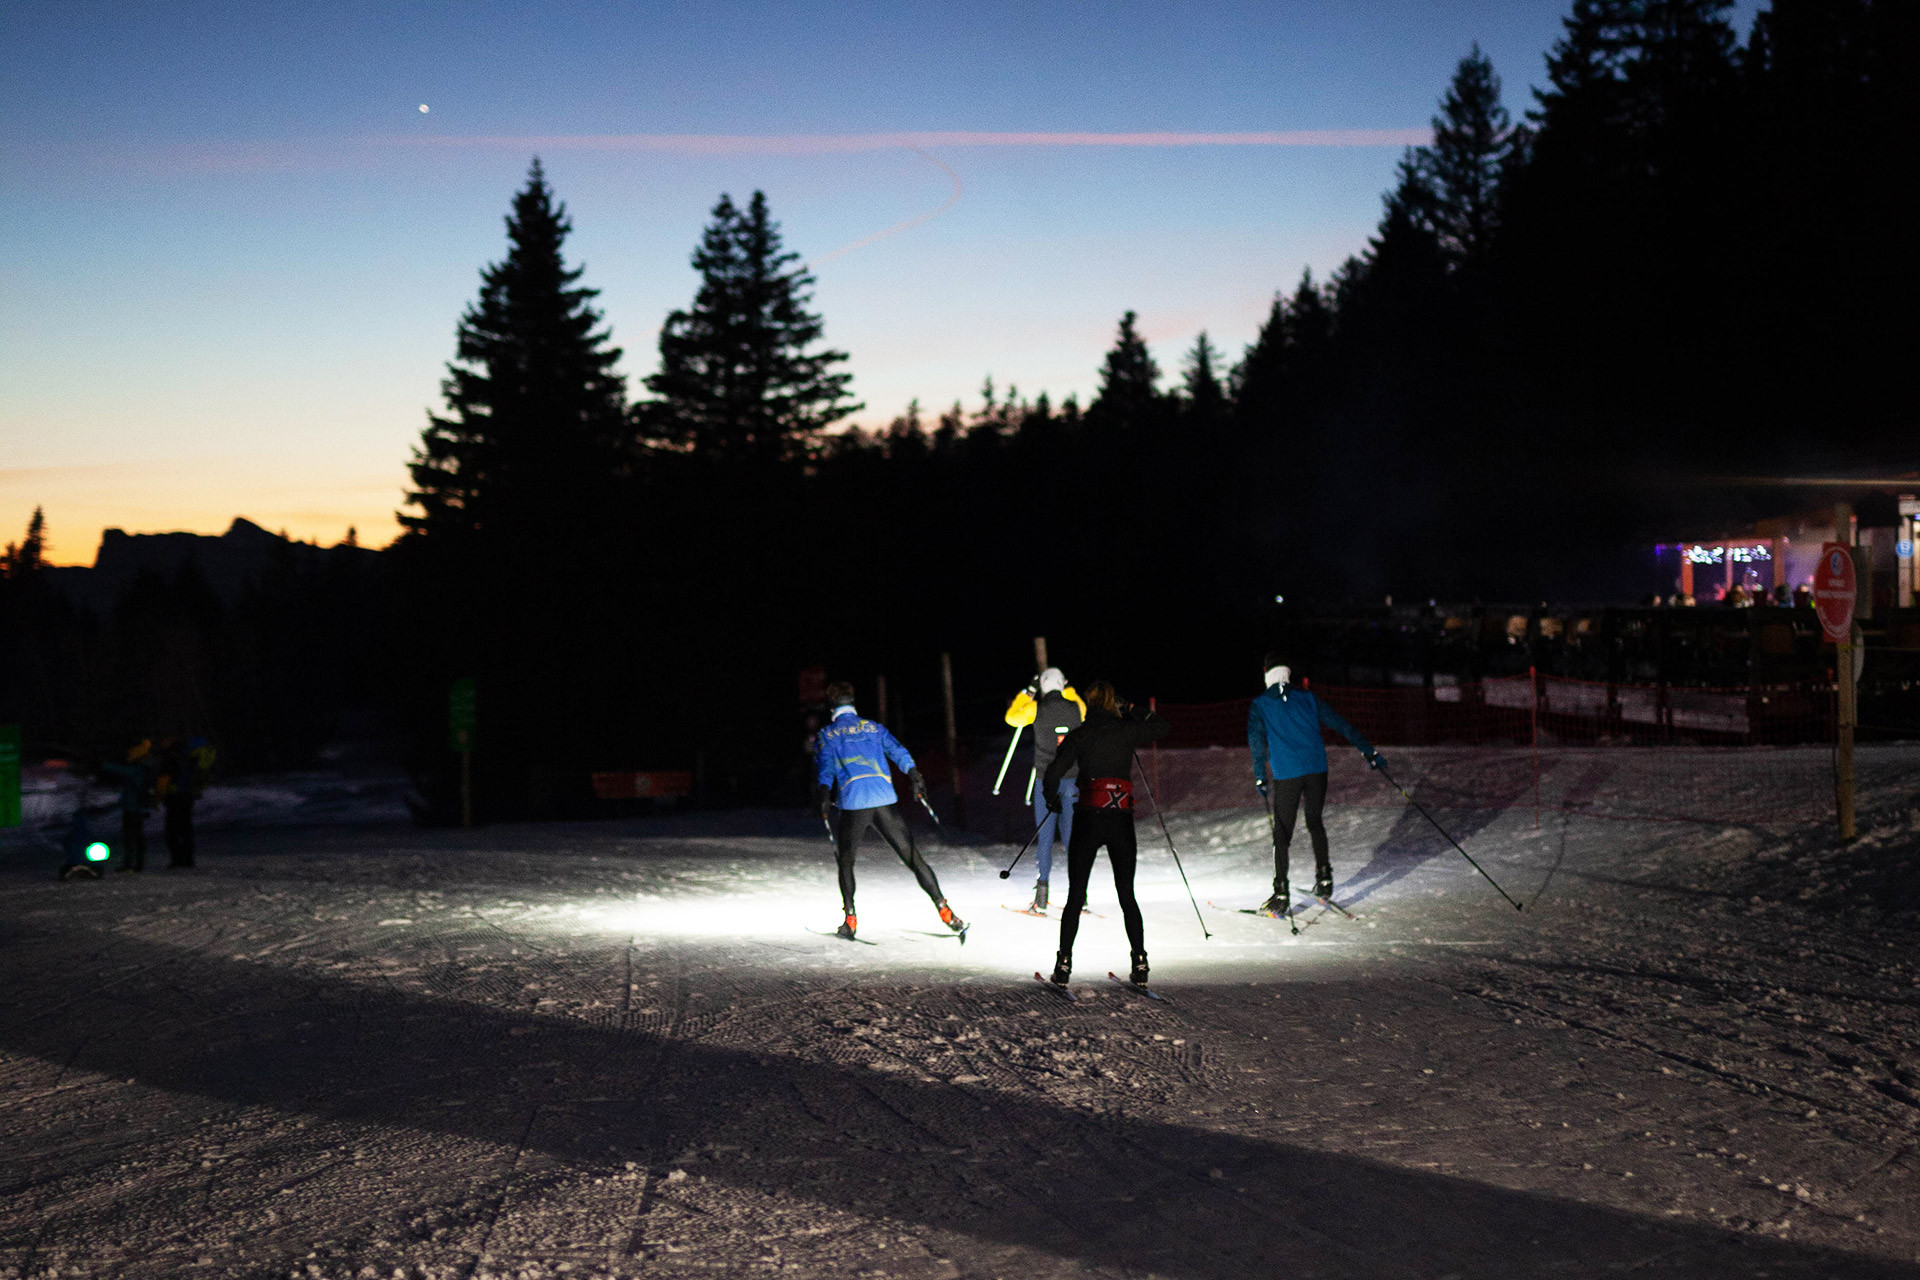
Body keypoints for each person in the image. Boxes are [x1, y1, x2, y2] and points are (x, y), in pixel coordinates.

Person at [814, 681, 967, 942]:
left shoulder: (827, 734)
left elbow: (826, 768)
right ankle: (945, 910)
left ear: (831, 706)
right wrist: (914, 774)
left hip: (854, 803)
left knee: (846, 861)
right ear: (853, 702)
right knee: (914, 859)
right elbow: (898, 751)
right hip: (884, 799)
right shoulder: (873, 727)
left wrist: (824, 792)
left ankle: (850, 920)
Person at [1041, 681, 1169, 987]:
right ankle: (1140, 961)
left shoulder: (1080, 734)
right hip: (1120, 820)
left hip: (1088, 818)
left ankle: (1063, 964)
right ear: (1114, 702)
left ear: (1089, 703)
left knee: (1076, 894)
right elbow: (1162, 727)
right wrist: (1132, 709)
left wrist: (1051, 799)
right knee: (1126, 893)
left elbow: (1053, 772)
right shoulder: (1126, 730)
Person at [1248, 657, 1380, 913]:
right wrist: (1368, 750)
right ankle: (1325, 879)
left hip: (1288, 773)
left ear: (1266, 673)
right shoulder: (1307, 697)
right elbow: (1339, 722)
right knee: (1315, 822)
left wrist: (1260, 775)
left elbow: (1256, 742)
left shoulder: (1260, 704)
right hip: (1317, 770)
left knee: (1282, 833)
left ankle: (1281, 893)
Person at [1001, 667, 1087, 912]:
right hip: (1072, 780)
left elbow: (1011, 718)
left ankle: (1041, 896)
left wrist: (1028, 691)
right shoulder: (1075, 708)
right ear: (1062, 685)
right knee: (1073, 838)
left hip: (1045, 782)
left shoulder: (1035, 708)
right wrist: (1068, 688)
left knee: (1045, 837)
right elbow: (1081, 706)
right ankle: (1080, 896)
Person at [99, 740, 154, 873]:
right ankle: (137, 863)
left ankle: (130, 864)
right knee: (137, 836)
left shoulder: (137, 769)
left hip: (133, 808)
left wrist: (102, 764)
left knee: (130, 836)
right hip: (139, 807)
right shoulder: (145, 768)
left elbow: (121, 771)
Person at [156, 737, 210, 869]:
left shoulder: (169, 759)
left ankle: (177, 859)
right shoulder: (188, 757)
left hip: (175, 798)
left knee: (173, 831)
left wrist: (158, 797)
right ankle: (188, 858)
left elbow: (164, 779)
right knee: (185, 829)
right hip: (186, 797)